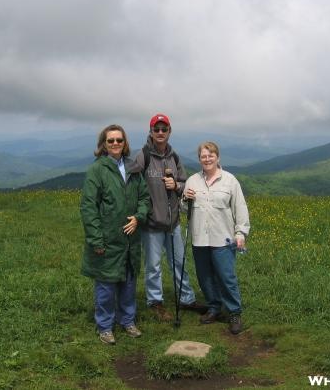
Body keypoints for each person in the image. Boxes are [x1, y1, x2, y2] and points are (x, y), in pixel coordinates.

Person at [80, 124, 150, 345]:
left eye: (119, 140)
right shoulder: (97, 170)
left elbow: (144, 198)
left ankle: (127, 321)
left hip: (130, 238)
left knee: (128, 282)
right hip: (108, 237)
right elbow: (89, 207)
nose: (115, 144)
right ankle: (105, 326)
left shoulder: (133, 168)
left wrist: (139, 217)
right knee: (106, 285)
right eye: (110, 141)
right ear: (103, 144)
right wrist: (96, 240)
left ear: (125, 143)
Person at [134, 113, 206, 321]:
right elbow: (131, 180)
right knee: (153, 265)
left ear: (169, 132)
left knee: (178, 262)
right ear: (151, 132)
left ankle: (186, 299)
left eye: (163, 129)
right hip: (151, 223)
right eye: (156, 129)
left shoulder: (174, 157)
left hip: (173, 222)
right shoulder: (143, 156)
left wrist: (176, 185)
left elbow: (185, 183)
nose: (160, 132)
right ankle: (155, 302)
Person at [183, 141, 250, 334]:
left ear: (217, 157)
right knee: (205, 277)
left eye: (210, 155)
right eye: (203, 156)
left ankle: (234, 312)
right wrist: (184, 199)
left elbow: (240, 208)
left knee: (226, 277)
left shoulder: (230, 180)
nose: (207, 159)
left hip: (223, 239)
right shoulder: (192, 181)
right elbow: (183, 209)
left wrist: (241, 233)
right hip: (200, 239)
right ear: (199, 159)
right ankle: (213, 307)